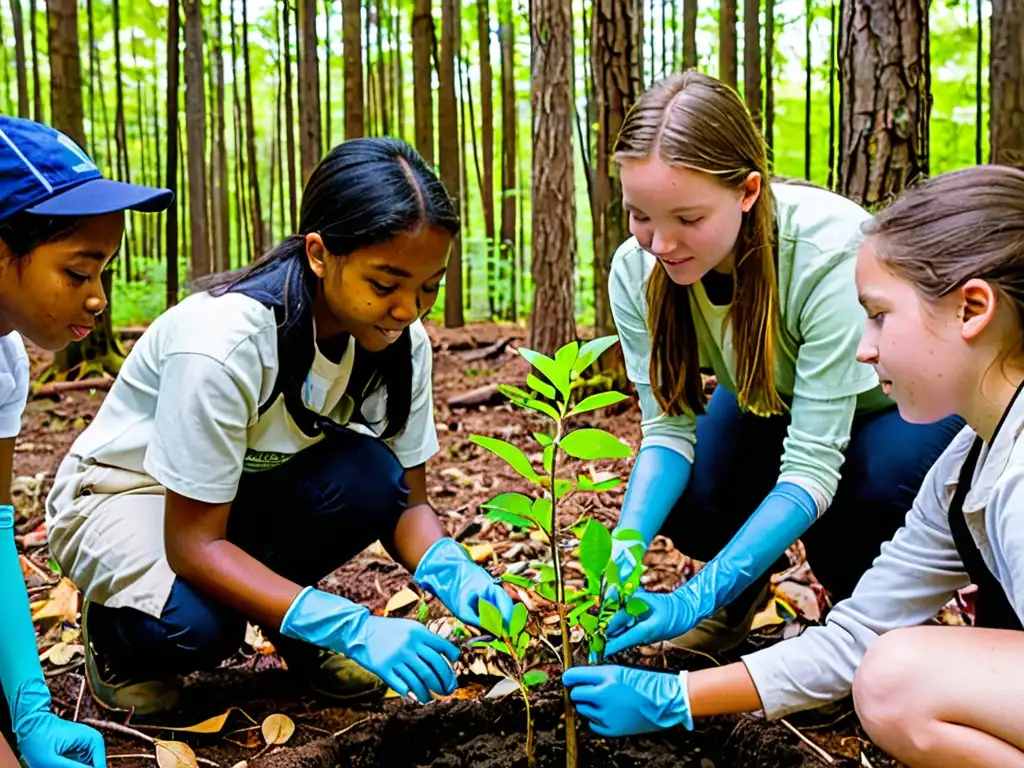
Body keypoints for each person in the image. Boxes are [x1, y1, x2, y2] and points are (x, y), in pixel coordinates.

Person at [565, 164, 1024, 768]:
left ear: (971, 309)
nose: (865, 346)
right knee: (889, 682)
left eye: (880, 315)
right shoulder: (966, 466)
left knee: (898, 679)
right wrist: (676, 695)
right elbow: (856, 636)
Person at [44, 136, 515, 716]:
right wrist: (352, 627)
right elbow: (194, 544)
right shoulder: (226, 343)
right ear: (319, 254)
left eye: (429, 287)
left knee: (370, 474)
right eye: (385, 284)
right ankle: (118, 636)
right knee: (198, 628)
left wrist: (454, 568)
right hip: (130, 496)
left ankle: (298, 624)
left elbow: (408, 502)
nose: (408, 310)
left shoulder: (402, 343)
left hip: (234, 489)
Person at [596, 70, 963, 654]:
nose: (660, 243)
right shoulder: (634, 270)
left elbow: (811, 471)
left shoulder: (825, 252)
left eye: (688, 219)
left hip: (899, 402)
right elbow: (666, 432)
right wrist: (624, 549)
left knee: (860, 502)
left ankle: (865, 629)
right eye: (641, 216)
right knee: (695, 496)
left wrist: (698, 594)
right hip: (777, 398)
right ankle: (738, 603)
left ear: (747, 191)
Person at [0, 114, 172, 765]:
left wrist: (30, 711)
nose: (99, 300)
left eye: (104, 272)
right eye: (78, 273)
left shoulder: (7, 364)